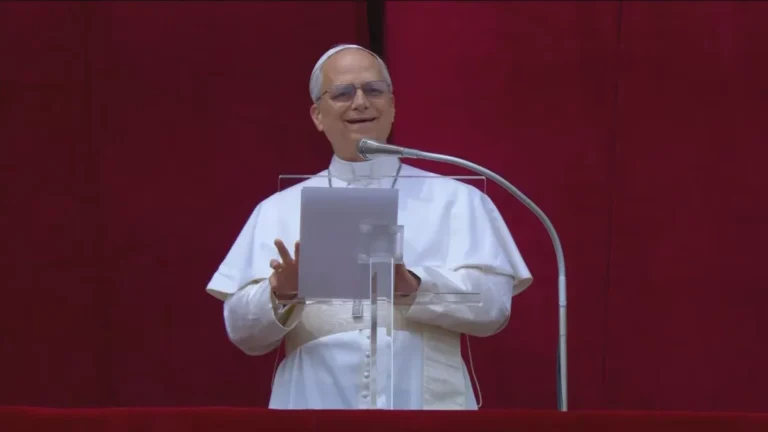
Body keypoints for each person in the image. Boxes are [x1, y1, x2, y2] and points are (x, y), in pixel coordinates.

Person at [206, 44, 533, 410]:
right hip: (314, 402)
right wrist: (280, 293)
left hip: (426, 404)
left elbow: (494, 308)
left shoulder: (457, 199)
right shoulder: (277, 209)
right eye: (343, 93)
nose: (360, 102)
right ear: (317, 114)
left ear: (392, 105)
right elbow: (242, 332)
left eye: (374, 90)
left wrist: (414, 286)